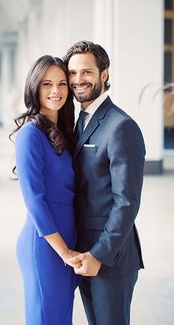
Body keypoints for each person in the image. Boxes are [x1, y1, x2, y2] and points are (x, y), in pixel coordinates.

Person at [63, 41, 146, 325]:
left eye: (86, 72)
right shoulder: (82, 120)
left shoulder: (121, 126)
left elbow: (127, 202)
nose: (77, 80)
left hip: (110, 257)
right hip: (83, 253)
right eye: (72, 73)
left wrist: (99, 254)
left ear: (104, 74)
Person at [10, 55, 80, 325]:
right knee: (46, 319)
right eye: (47, 84)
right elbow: (35, 202)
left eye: (62, 84)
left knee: (60, 318)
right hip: (46, 246)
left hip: (67, 243)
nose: (56, 91)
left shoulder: (64, 131)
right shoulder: (30, 134)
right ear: (34, 87)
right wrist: (65, 253)